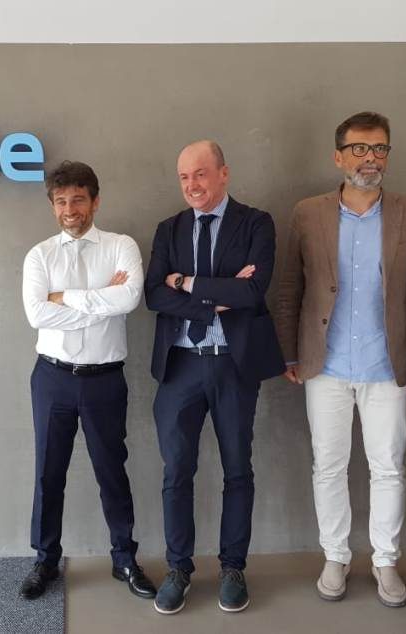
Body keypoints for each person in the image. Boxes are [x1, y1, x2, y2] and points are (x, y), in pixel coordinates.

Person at [274, 111, 406, 607]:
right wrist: (289, 352)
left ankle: (385, 560)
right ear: (338, 156)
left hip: (388, 363)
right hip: (325, 363)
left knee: (389, 467)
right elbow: (290, 287)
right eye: (359, 148)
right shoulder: (308, 213)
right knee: (329, 465)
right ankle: (336, 556)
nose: (370, 158)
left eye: (380, 148)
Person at [145, 140, 284, 615]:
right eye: (184, 177)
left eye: (200, 174)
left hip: (233, 365)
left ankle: (232, 568)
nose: (192, 185)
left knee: (237, 468)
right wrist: (214, 299)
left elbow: (253, 290)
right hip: (180, 366)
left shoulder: (256, 223)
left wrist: (184, 283)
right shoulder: (168, 229)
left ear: (223, 173)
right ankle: (178, 568)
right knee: (176, 471)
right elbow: (153, 295)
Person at [18, 160, 156, 601]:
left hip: (104, 380)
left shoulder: (120, 246)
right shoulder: (40, 255)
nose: (69, 209)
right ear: (52, 206)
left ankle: (124, 558)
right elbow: (36, 314)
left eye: (78, 199)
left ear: (95, 202)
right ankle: (45, 560)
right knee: (48, 472)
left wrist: (65, 298)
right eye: (61, 201)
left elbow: (128, 298)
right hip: (52, 377)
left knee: (111, 469)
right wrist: (100, 303)